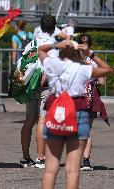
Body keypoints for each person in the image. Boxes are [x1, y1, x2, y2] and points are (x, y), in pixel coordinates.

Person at [38, 40, 113, 189]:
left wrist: (55, 45)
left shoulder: (52, 65)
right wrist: (90, 53)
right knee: (73, 171)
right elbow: (107, 69)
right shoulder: (84, 69)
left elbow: (41, 50)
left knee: (50, 170)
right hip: (78, 114)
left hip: (56, 114)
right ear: (78, 53)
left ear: (61, 52)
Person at [19, 14, 66, 168]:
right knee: (42, 120)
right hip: (44, 86)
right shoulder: (52, 45)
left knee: (29, 120)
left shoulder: (31, 43)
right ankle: (41, 158)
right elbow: (49, 67)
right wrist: (41, 83)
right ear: (54, 28)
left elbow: (22, 64)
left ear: (40, 26)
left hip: (29, 85)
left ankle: (26, 157)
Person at [77, 33, 108, 171]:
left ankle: (74, 158)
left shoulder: (73, 59)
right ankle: (86, 161)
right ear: (91, 46)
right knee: (87, 130)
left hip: (75, 96)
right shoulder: (95, 61)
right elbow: (102, 81)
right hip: (90, 97)